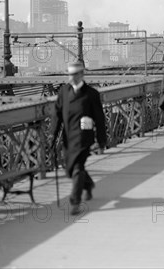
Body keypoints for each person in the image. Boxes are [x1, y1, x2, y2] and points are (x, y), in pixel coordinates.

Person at [51, 60, 107, 215]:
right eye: (69, 75)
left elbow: (100, 118)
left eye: (74, 75)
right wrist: (52, 135)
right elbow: (56, 115)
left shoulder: (91, 94)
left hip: (84, 138)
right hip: (69, 138)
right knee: (70, 170)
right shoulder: (63, 92)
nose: (71, 78)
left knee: (76, 168)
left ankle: (75, 202)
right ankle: (88, 185)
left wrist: (101, 140)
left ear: (82, 74)